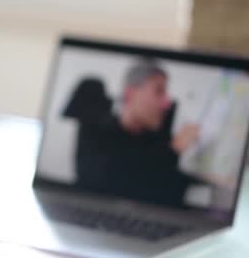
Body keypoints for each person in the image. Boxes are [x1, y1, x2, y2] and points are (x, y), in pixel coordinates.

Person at [64, 59, 203, 209]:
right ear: (130, 93)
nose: (166, 103)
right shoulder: (96, 130)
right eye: (159, 91)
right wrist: (173, 150)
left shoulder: (159, 137)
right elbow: (102, 182)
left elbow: (169, 193)